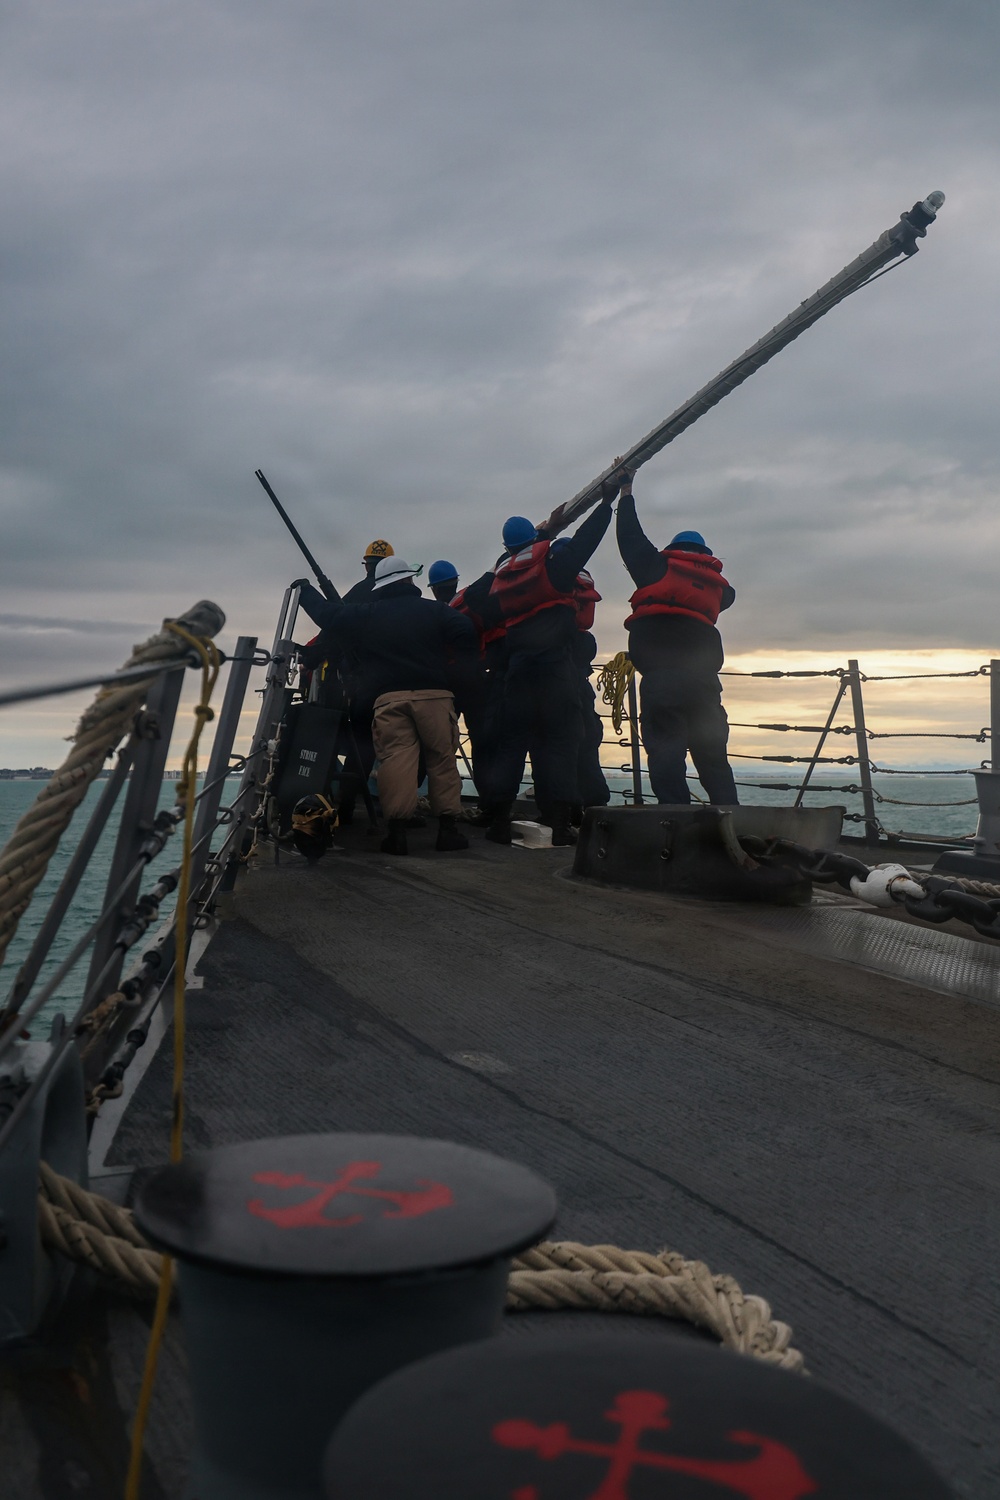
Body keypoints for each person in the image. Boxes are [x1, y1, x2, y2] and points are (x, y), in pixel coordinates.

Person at [296, 557, 479, 855]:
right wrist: (456, 675)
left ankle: (396, 836)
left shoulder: (368, 614)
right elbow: (465, 630)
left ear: (381, 586)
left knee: (397, 761)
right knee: (441, 761)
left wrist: (306, 592)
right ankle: (448, 831)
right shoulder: (436, 612)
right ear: (409, 581)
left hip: (390, 701)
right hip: (435, 696)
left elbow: (329, 617)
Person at [480, 482, 618, 845]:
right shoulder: (555, 572)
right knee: (558, 744)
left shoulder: (502, 577)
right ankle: (559, 825)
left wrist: (545, 529)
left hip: (518, 673)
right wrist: (607, 502)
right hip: (556, 671)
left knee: (511, 746)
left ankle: (497, 821)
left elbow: (517, 555)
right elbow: (588, 540)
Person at [615, 472, 738, 806]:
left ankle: (676, 819)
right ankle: (732, 822)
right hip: (704, 683)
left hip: (662, 682)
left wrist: (625, 494)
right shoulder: (720, 591)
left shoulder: (655, 568)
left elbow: (629, 538)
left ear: (673, 551)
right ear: (705, 556)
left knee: (666, 755)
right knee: (713, 758)